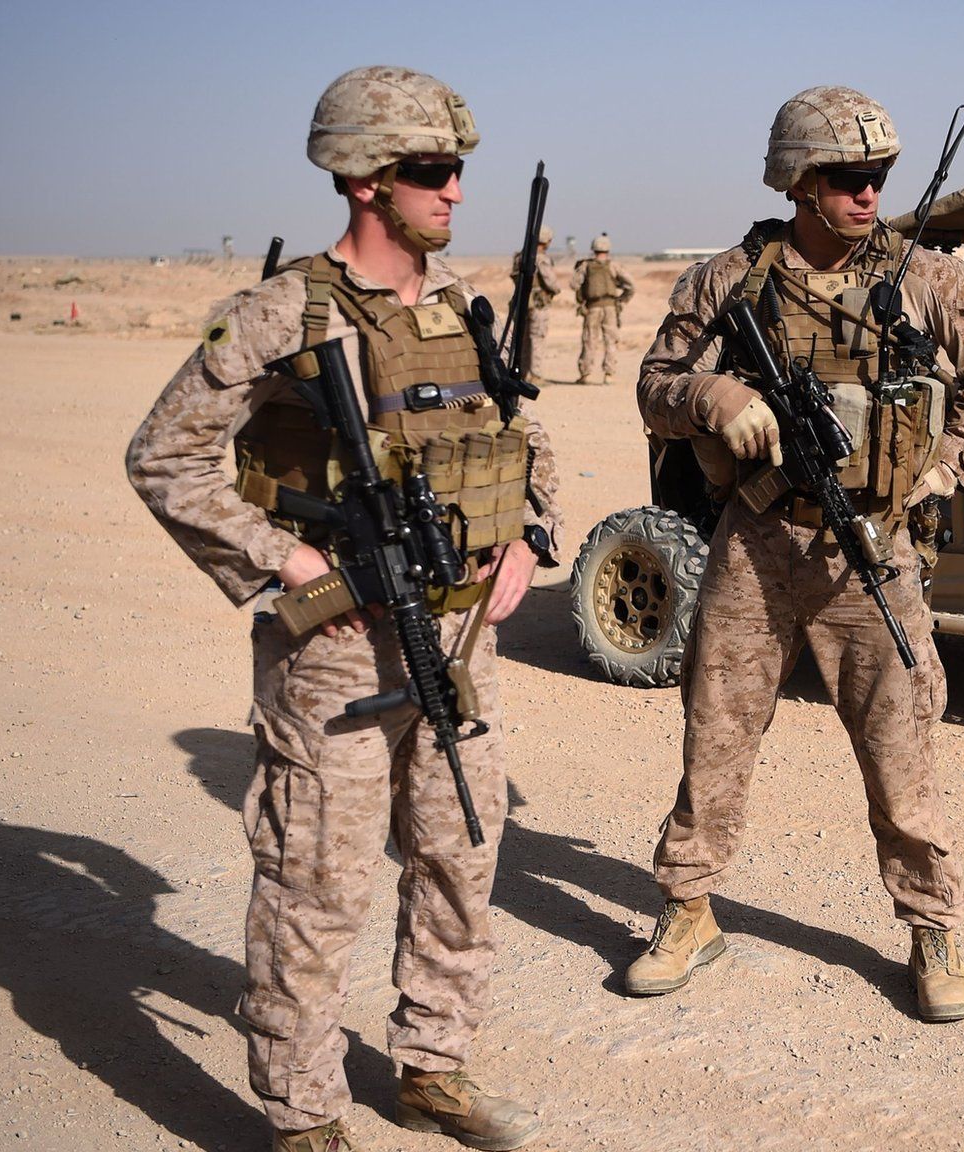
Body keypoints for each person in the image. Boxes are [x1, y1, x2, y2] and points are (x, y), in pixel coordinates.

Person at [126, 65, 560, 1152]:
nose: (456, 190)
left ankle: (432, 1067)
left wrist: (524, 535)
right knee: (315, 887)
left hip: (460, 634)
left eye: (459, 169)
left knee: (461, 855)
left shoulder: (462, 305)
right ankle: (304, 1114)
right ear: (366, 180)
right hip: (337, 649)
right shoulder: (283, 313)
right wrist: (289, 565)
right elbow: (165, 458)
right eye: (431, 171)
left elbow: (523, 440)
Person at [625, 85, 964, 1022]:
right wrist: (711, 399)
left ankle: (931, 925)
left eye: (879, 177)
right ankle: (687, 909)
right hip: (757, 541)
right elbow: (655, 383)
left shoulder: (922, 277)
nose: (869, 193)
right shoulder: (732, 278)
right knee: (714, 730)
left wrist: (948, 469)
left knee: (901, 745)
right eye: (848, 178)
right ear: (800, 184)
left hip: (872, 547)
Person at [573, 233, 634, 384]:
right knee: (610, 341)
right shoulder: (614, 266)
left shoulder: (585, 266)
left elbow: (574, 284)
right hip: (610, 308)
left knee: (589, 340)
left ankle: (585, 374)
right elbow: (631, 286)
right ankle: (609, 374)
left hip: (592, 308)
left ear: (593, 248)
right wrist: (622, 300)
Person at [510, 225, 565, 384]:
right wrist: (555, 290)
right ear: (546, 241)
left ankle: (523, 374)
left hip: (521, 303)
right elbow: (550, 282)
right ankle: (536, 375)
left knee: (523, 340)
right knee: (537, 339)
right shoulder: (541, 258)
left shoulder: (520, 256)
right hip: (538, 304)